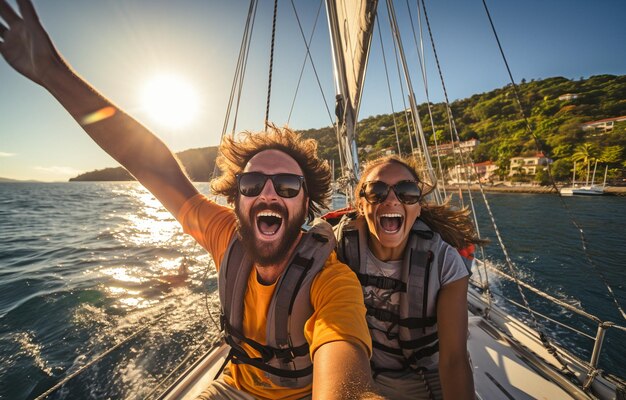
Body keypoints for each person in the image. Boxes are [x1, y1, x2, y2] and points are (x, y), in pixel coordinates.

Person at [0, 1, 378, 399]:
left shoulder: (333, 282)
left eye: (286, 185)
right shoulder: (224, 236)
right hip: (234, 389)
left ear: (307, 205)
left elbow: (345, 370)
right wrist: (52, 72)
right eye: (252, 184)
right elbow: (147, 162)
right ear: (236, 202)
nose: (268, 192)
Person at [335, 155, 483, 400]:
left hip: (426, 377)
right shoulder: (338, 247)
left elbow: (453, 359)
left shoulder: (443, 261)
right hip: (364, 373)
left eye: (407, 191)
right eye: (377, 191)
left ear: (418, 206)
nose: (392, 200)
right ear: (361, 205)